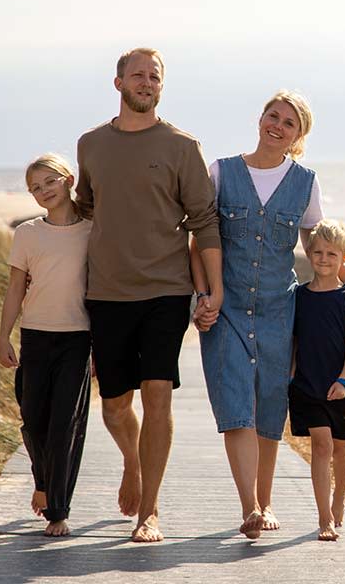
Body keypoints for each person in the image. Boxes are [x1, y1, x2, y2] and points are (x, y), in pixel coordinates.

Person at [191, 90, 345, 539]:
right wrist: (202, 295)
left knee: (269, 407)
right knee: (236, 406)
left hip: (280, 310)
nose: (278, 125)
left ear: (298, 136)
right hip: (227, 308)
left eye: (289, 123)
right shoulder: (221, 172)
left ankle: (266, 501)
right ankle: (249, 506)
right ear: (260, 119)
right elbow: (199, 242)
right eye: (273, 116)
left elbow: (319, 246)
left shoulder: (305, 182)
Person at [75, 48, 224, 543]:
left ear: (162, 86)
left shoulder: (183, 146)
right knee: (115, 404)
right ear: (117, 82)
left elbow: (204, 221)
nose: (146, 81)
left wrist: (212, 290)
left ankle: (150, 513)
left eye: (154, 76)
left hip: (166, 289)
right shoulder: (91, 144)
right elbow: (86, 210)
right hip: (107, 290)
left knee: (158, 393)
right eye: (137, 74)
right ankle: (133, 463)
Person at [0, 153, 92, 537]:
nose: (43, 191)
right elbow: (15, 288)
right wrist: (3, 336)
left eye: (49, 181)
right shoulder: (28, 233)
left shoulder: (92, 230)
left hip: (77, 338)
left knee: (64, 425)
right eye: (35, 188)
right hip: (35, 336)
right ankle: (42, 480)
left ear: (68, 179)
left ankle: (58, 508)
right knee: (33, 420)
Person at [289, 219, 345, 541]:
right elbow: (291, 338)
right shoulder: (299, 297)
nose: (323, 259)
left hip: (340, 387)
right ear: (307, 252)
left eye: (331, 254)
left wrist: (344, 380)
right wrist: (290, 373)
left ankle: (338, 498)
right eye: (317, 252)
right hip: (306, 385)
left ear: (344, 259)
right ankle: (324, 519)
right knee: (322, 445)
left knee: (341, 448)